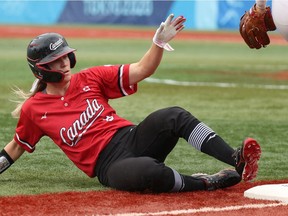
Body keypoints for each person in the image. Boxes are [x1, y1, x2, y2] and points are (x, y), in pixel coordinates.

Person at [0, 14, 261, 193]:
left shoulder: (90, 77)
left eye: (66, 57)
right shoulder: (34, 110)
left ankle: (236, 159)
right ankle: (205, 183)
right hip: (109, 166)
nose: (64, 63)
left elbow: (140, 70)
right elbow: (14, 148)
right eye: (56, 61)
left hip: (133, 137)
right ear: (41, 70)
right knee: (150, 171)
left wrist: (157, 43)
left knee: (173, 115)